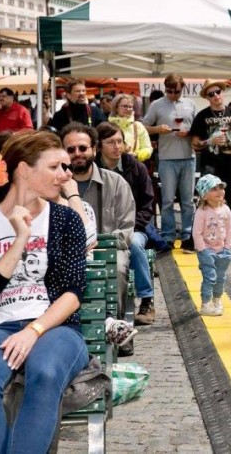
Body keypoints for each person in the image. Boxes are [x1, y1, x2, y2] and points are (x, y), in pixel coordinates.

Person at [0, 130, 88, 453]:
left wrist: (33, 330)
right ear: (24, 170)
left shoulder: (66, 220)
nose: (66, 176)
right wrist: (20, 239)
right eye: (56, 167)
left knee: (46, 372)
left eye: (66, 167)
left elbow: (73, 291)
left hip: (55, 326)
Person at [60, 123, 137, 330]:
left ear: (94, 149)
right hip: (69, 253)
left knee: (119, 268)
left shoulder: (116, 182)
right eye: (70, 149)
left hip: (109, 250)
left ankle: (116, 330)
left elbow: (127, 228)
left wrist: (100, 244)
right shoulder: (55, 186)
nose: (77, 154)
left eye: (83, 148)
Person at [95, 122, 157, 326]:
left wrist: (132, 226)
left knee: (134, 245)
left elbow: (148, 204)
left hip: (134, 227)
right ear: (99, 145)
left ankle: (146, 299)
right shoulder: (92, 168)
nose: (116, 146)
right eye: (111, 142)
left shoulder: (136, 168)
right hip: (99, 229)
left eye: (120, 141)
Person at [142, 73, 197, 251]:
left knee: (188, 200)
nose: (173, 94)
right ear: (165, 89)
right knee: (167, 200)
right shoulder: (157, 105)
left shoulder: (190, 103)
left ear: (183, 89)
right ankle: (168, 235)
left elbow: (198, 129)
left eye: (177, 91)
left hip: (188, 156)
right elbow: (143, 127)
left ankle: (188, 234)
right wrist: (158, 129)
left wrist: (189, 132)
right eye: (170, 91)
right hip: (166, 158)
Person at [189, 79, 231, 206]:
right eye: (211, 94)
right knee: (209, 199)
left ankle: (226, 225)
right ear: (207, 98)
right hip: (210, 164)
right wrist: (210, 141)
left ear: (222, 93)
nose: (215, 96)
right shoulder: (202, 116)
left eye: (217, 92)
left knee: (228, 198)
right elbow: (194, 143)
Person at [193, 174, 231, 317]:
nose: (219, 191)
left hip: (222, 250)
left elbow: (229, 229)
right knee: (210, 277)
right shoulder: (201, 212)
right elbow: (196, 233)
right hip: (207, 250)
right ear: (204, 196)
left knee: (221, 277)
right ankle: (205, 303)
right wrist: (203, 250)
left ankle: (217, 299)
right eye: (214, 189)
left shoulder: (226, 210)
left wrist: (227, 247)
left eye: (220, 188)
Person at [108, 94, 153, 162]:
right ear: (116, 107)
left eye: (130, 107)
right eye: (125, 106)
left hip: (132, 165)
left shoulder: (138, 126)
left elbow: (148, 148)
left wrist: (136, 155)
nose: (128, 109)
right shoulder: (107, 126)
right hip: (110, 166)